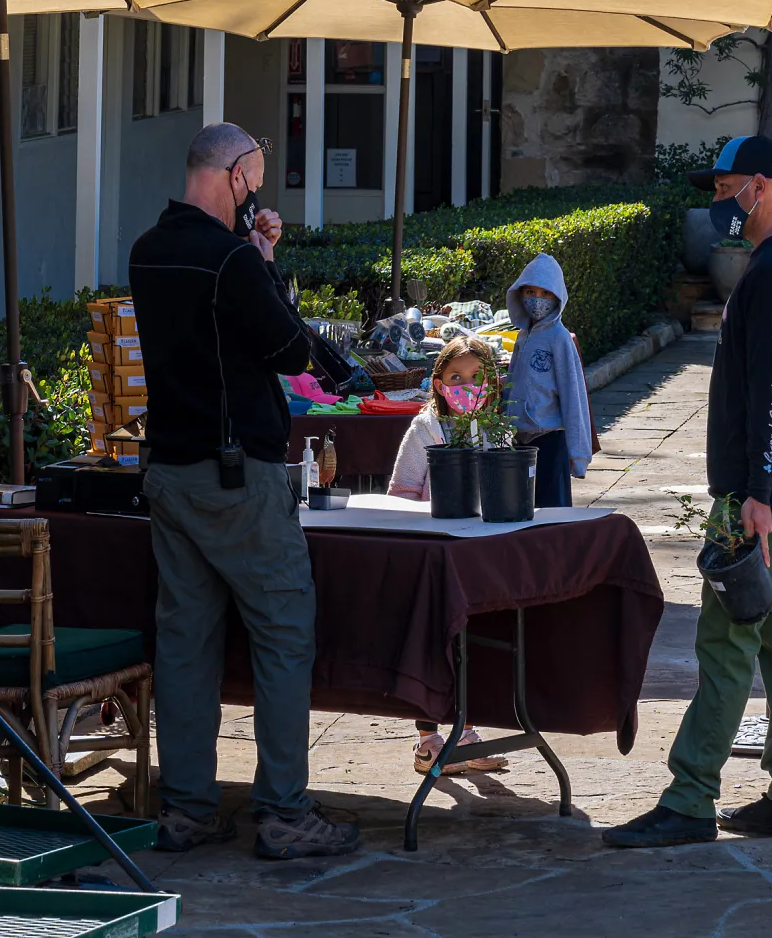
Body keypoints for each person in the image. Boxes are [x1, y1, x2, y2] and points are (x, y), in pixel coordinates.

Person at [128, 122, 359, 861]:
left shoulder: (149, 251)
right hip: (236, 475)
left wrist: (252, 260)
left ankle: (189, 807)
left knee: (186, 643)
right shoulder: (229, 259)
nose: (256, 195)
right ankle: (285, 811)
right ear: (233, 177)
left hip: (169, 470)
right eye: (253, 182)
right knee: (285, 630)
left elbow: (216, 334)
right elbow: (290, 348)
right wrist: (261, 264)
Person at [604, 135, 772, 849]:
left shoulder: (771, 271)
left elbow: (768, 387)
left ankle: (690, 797)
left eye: (724, 187)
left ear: (760, 188)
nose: (716, 202)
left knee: (728, 640)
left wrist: (754, 492)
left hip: (764, 493)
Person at [387, 336, 509, 776]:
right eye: (456, 377)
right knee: (431, 645)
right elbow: (401, 491)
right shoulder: (425, 430)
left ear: (491, 385)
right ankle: (428, 741)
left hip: (476, 555)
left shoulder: (497, 430)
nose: (466, 386)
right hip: (432, 553)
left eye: (477, 378)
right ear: (438, 384)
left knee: (470, 646)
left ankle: (467, 732)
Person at [503, 254, 592, 508]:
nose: (537, 300)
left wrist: (578, 454)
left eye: (545, 293)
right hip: (520, 440)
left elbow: (573, 397)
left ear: (557, 298)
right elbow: (512, 382)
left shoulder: (560, 338)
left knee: (553, 512)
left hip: (550, 439)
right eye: (530, 291)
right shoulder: (522, 337)